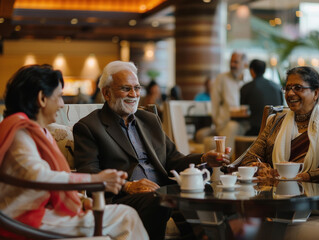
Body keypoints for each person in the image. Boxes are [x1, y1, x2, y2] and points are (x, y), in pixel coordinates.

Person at [72, 60, 231, 239]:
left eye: (137, 88)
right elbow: (89, 173)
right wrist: (129, 186)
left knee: (206, 190)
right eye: (126, 88)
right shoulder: (88, 127)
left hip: (162, 191)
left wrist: (203, 158)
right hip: (123, 198)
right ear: (106, 93)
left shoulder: (149, 120)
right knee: (158, 200)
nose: (134, 94)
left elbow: (173, 159)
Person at [0, 65, 148, 240]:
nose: (62, 104)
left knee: (124, 215)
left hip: (39, 212)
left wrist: (82, 199)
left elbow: (45, 180)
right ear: (42, 98)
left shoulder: (35, 131)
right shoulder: (21, 133)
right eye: (59, 97)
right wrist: (96, 180)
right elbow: (38, 176)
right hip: (26, 219)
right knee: (126, 216)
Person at [230, 66, 319, 185]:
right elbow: (250, 156)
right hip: (274, 191)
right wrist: (262, 169)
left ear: (316, 93)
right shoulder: (275, 122)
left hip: (315, 194)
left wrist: (302, 177)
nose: (290, 93)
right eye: (287, 88)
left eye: (297, 88)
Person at [211, 51, 250, 152]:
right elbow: (214, 103)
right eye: (231, 62)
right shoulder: (222, 78)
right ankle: (225, 162)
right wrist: (218, 124)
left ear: (244, 64)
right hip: (225, 123)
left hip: (244, 124)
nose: (232, 65)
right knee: (232, 127)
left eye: (236, 62)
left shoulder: (249, 81)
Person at [240, 59, 284, 136]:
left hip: (255, 131)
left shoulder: (246, 87)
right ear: (264, 71)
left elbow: (243, 109)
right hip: (276, 130)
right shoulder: (277, 87)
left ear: (251, 71)